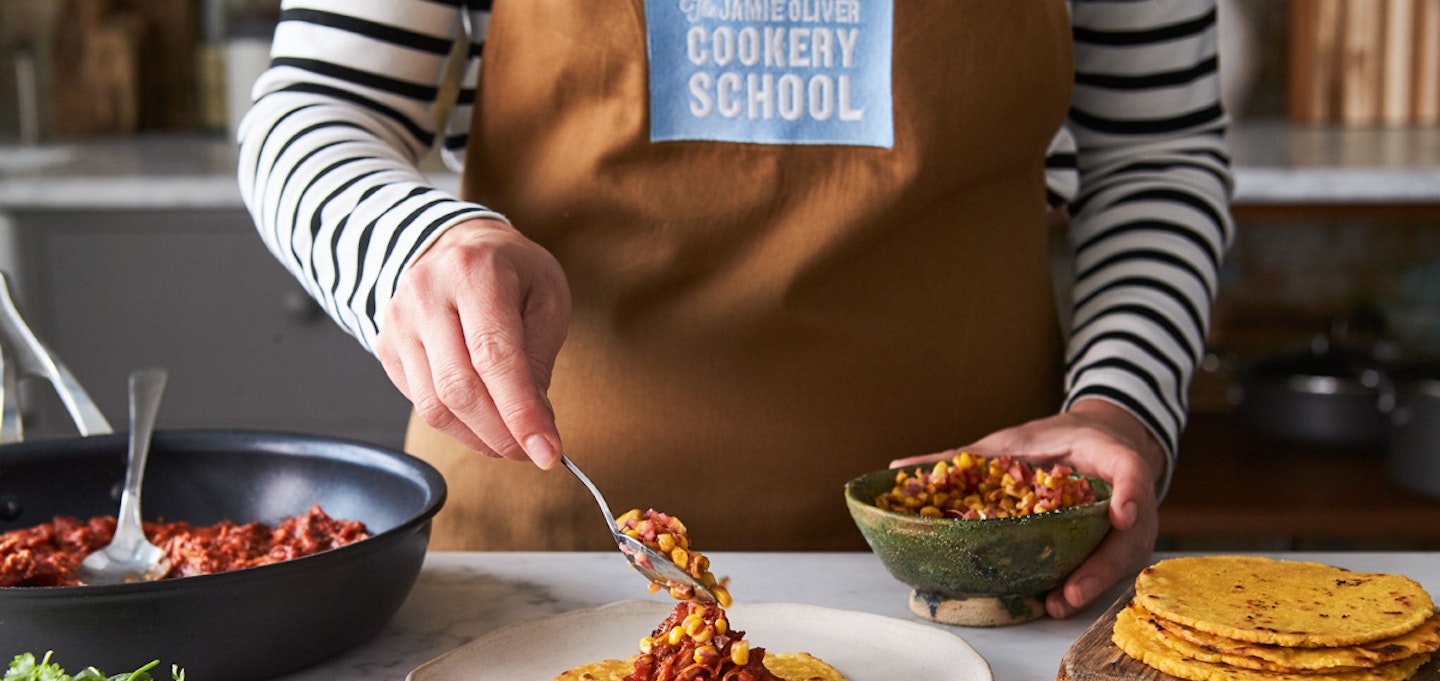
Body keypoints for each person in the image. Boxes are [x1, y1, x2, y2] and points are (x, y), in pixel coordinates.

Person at [238, 1, 1233, 619]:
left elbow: (1156, 158)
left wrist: (1120, 404)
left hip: (979, 566)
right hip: (534, 568)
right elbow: (312, 110)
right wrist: (412, 242)